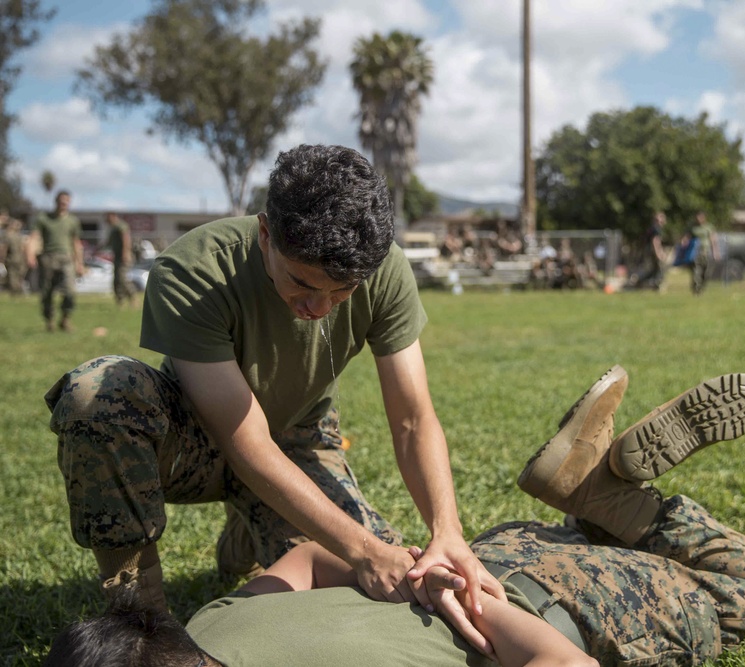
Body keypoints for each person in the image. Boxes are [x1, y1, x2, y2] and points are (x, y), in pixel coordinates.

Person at [44, 367, 745, 667]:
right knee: (599, 542)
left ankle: (610, 502)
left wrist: (471, 605)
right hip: (483, 554)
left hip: (561, 602)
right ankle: (595, 502)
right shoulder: (210, 623)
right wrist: (427, 579)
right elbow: (310, 557)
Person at [43, 145, 503, 643]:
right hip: (191, 441)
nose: (319, 307)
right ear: (266, 233)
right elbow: (247, 445)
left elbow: (413, 419)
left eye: (341, 290)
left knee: (382, 589)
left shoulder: (383, 269)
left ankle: (251, 525)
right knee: (97, 394)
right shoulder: (194, 273)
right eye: (301, 283)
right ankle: (143, 622)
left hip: (298, 440)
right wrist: (365, 551)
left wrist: (446, 530)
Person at [26, 190, 84, 331]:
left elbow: (76, 243)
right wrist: (30, 255)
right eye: (61, 200)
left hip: (66, 258)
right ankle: (49, 321)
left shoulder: (72, 221)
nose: (64, 203)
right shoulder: (44, 218)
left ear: (69, 203)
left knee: (70, 291)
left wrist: (80, 263)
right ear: (56, 201)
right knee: (47, 292)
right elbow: (34, 237)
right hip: (48, 258)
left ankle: (65, 319)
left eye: (66, 201)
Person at [680, 212, 719, 296]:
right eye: (697, 217)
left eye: (700, 217)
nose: (698, 219)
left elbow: (713, 241)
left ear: (704, 218)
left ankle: (701, 287)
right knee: (696, 272)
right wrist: (683, 243)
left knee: (706, 273)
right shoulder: (692, 228)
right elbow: (686, 238)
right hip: (695, 253)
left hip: (706, 252)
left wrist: (715, 252)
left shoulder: (709, 227)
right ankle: (696, 290)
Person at [630, 211, 669, 291]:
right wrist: (659, 253)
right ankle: (654, 284)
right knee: (659, 268)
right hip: (652, 251)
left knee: (653, 269)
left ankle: (640, 281)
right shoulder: (656, 229)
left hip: (648, 251)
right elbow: (655, 242)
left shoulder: (653, 228)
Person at [102, 212, 135, 307]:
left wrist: (126, 253)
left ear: (112, 216)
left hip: (123, 256)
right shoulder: (112, 229)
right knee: (116, 280)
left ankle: (133, 297)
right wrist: (98, 248)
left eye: (107, 218)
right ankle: (120, 301)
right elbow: (108, 242)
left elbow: (126, 239)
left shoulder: (121, 225)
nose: (106, 221)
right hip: (117, 257)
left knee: (122, 278)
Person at [1, 213, 28, 296]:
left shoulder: (8, 236)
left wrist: (2, 259)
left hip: (12, 258)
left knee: (13, 276)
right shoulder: (19, 236)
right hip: (20, 259)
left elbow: (4, 248)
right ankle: (18, 291)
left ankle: (15, 292)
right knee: (18, 276)